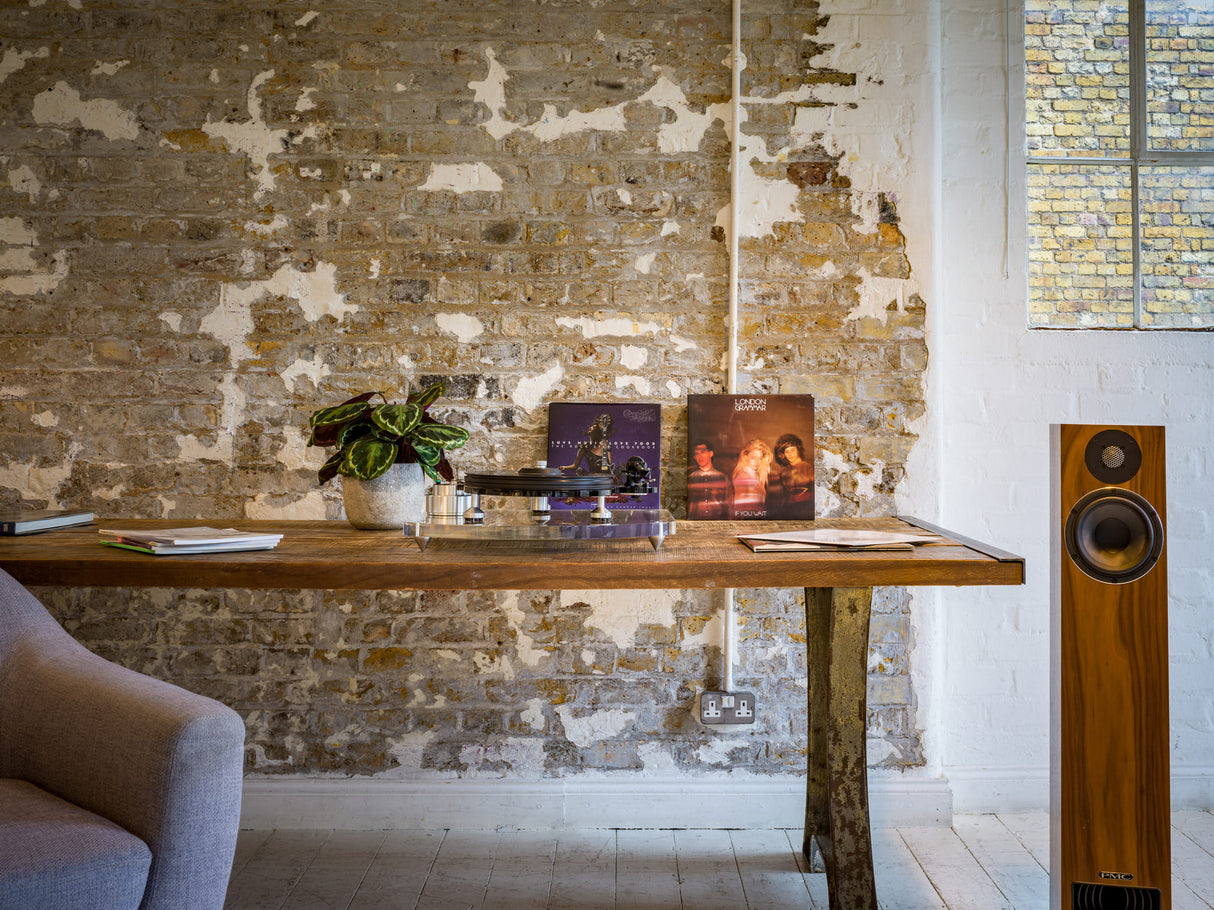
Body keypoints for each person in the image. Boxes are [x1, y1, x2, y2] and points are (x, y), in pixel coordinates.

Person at [772, 432, 814, 518]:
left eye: (792, 450)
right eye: (786, 451)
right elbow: (783, 498)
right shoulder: (783, 472)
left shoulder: (808, 468)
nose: (790, 454)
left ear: (798, 450)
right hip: (789, 512)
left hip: (806, 512)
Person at [687, 441, 730, 519]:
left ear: (711, 453)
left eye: (703, 452)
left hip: (718, 522)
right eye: (697, 454)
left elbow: (729, 506)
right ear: (694, 457)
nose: (700, 456)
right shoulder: (690, 478)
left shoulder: (723, 478)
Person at [730, 438, 772, 519]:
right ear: (746, 457)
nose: (757, 462)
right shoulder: (743, 477)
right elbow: (739, 509)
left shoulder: (756, 476)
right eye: (753, 458)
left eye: (759, 458)